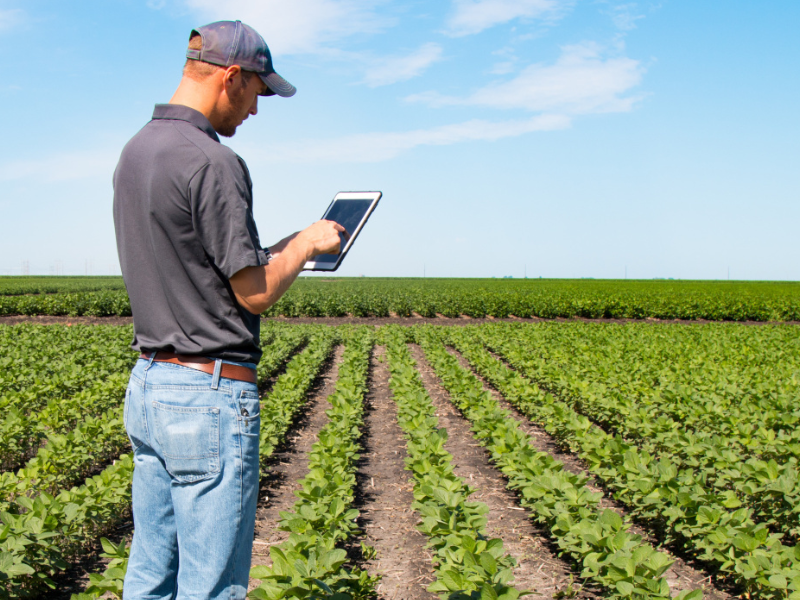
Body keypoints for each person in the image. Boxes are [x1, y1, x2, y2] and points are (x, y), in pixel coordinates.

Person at [112, 20, 344, 599]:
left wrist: (285, 247)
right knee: (212, 587)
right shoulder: (213, 161)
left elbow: (201, 263)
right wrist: (304, 246)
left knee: (150, 574)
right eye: (257, 93)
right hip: (206, 395)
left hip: (150, 384)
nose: (255, 110)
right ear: (231, 76)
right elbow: (254, 293)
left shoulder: (136, 151)